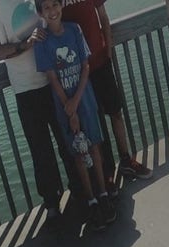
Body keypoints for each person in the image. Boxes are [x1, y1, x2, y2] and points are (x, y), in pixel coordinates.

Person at [34, 0, 117, 230]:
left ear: (61, 6)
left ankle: (103, 194)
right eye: (46, 8)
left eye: (55, 5)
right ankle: (90, 200)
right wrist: (68, 107)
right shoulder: (42, 42)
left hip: (85, 100)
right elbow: (52, 78)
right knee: (78, 152)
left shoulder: (74, 29)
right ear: (40, 13)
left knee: (94, 147)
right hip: (64, 107)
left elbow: (86, 66)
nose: (52, 11)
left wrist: (76, 101)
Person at [0, 0, 71, 221]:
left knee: (66, 140)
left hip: (53, 81)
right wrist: (26, 44)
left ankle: (80, 190)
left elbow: (54, 19)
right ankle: (52, 202)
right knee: (40, 150)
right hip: (25, 90)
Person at [60, 0, 154, 184]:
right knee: (94, 122)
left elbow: (103, 16)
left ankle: (126, 160)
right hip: (78, 73)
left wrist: (108, 50)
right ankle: (107, 173)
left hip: (101, 61)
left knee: (115, 111)